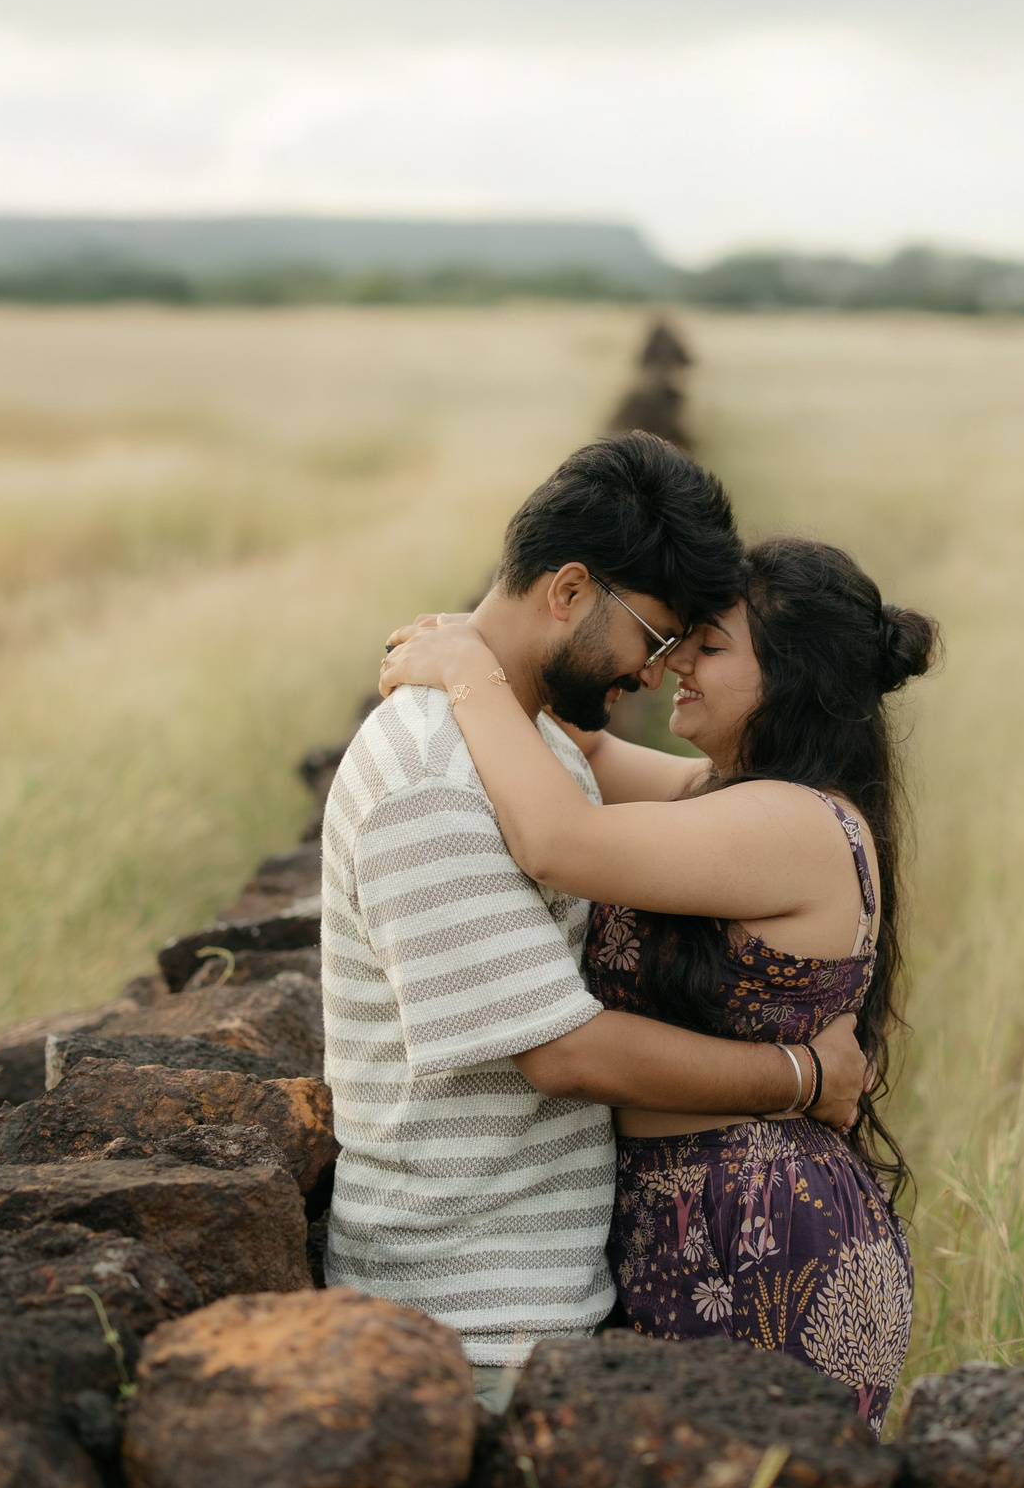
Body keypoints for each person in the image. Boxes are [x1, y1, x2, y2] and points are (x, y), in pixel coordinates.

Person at [321, 435, 869, 1414]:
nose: (660, 674)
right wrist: (804, 1076)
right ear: (569, 592)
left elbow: (623, 809)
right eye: (658, 640)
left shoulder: (519, 743)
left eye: (689, 650)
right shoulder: (433, 782)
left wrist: (476, 664)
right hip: (468, 1315)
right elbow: (561, 1053)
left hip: (540, 1294)